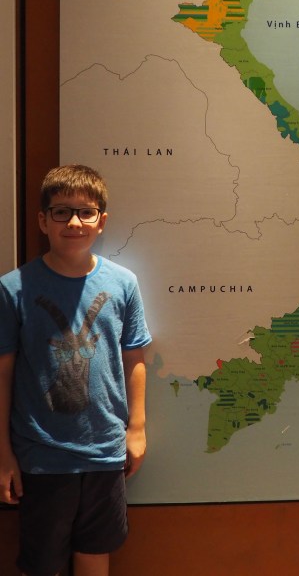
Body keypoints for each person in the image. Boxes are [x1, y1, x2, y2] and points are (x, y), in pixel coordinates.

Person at [0, 164, 152, 576]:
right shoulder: (13, 288)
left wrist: (137, 428)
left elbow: (134, 357)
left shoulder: (123, 283)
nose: (74, 222)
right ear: (43, 220)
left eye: (85, 212)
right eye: (61, 211)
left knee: (95, 552)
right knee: (43, 563)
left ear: (101, 221)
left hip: (105, 453)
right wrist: (4, 453)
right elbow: (4, 372)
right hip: (41, 457)